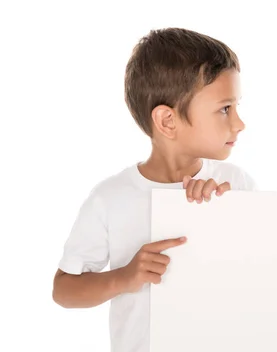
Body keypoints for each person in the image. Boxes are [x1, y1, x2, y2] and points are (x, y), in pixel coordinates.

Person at [52, 28, 257, 352]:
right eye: (225, 109)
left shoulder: (236, 185)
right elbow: (63, 290)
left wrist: (226, 212)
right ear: (168, 121)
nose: (239, 123)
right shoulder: (111, 198)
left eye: (236, 107)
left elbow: (262, 273)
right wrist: (123, 278)